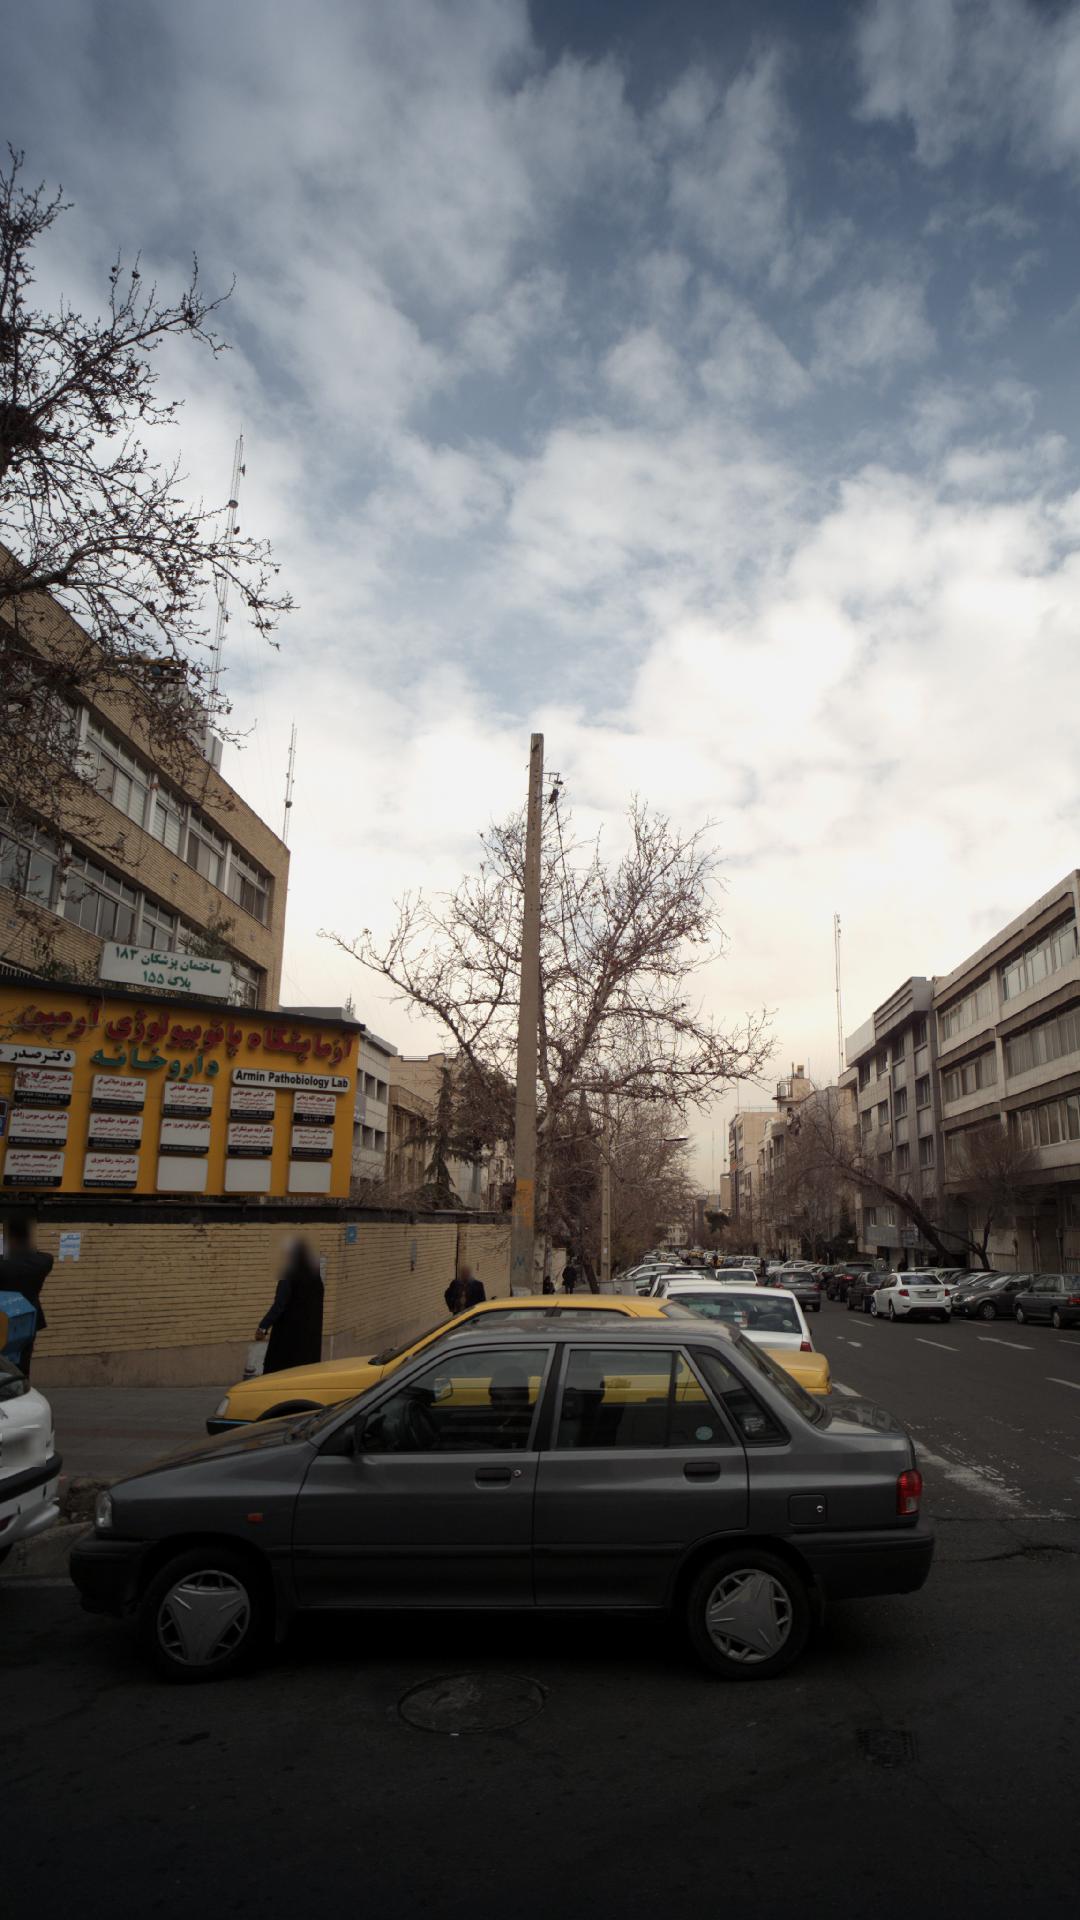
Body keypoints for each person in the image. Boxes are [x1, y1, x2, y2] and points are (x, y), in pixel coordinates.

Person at [255, 1238, 324, 1374]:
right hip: (309, 1343)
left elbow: (279, 1305)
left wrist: (263, 1327)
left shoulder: (289, 1275)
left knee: (278, 1374)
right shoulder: (316, 1277)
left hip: (287, 1341)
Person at [0, 1215, 53, 1380]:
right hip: (28, 1319)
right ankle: (21, 1388)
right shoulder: (42, 1262)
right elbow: (44, 1256)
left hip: (3, 1317)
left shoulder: (4, 1264)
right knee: (23, 1360)